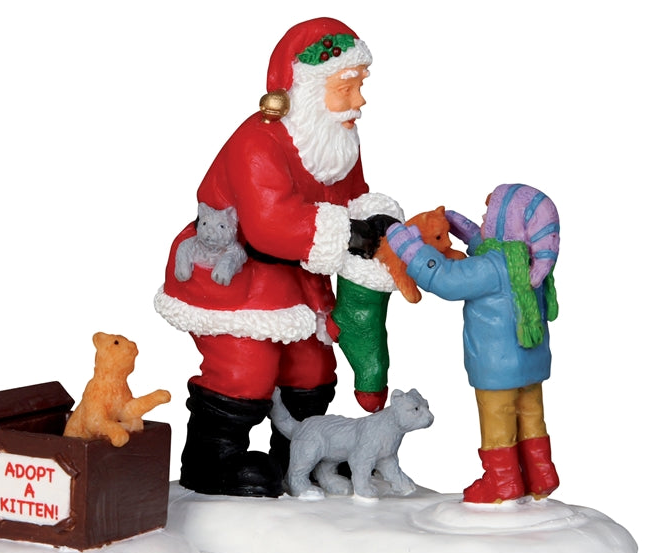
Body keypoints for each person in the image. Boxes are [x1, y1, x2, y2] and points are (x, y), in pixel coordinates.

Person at [155, 17, 403, 497]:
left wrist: (377, 225)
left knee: (311, 368)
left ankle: (297, 459)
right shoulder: (257, 142)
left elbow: (352, 197)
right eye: (345, 88)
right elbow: (270, 224)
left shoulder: (335, 141)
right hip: (235, 273)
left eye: (360, 86)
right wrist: (354, 235)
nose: (359, 101)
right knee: (244, 366)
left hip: (299, 277)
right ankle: (212, 459)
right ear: (306, 91)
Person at [386, 183, 561, 503]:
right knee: (531, 415)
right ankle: (540, 474)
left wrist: (410, 249)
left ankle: (502, 483)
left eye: (490, 211)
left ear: (506, 221)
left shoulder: (492, 267)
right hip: (531, 365)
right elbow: (494, 255)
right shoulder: (528, 260)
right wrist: (471, 234)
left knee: (498, 421)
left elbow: (448, 279)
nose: (484, 216)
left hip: (497, 369)